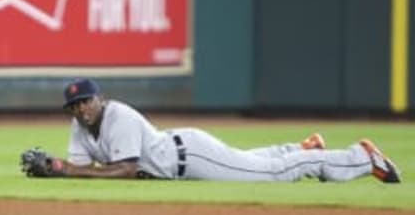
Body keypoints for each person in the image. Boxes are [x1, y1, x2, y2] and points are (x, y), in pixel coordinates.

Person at [20, 79, 401, 183]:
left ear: (99, 99)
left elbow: (125, 169)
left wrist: (66, 170)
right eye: (75, 105)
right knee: (249, 162)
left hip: (190, 157)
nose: (81, 108)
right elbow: (79, 167)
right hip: (183, 150)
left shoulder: (117, 115)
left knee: (269, 176)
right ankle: (300, 147)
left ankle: (359, 159)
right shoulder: (81, 126)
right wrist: (57, 168)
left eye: (86, 101)